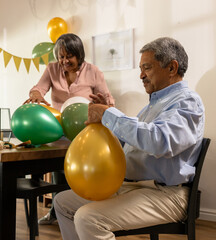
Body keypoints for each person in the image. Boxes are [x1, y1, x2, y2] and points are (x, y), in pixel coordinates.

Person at [53, 37, 205, 240]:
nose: (141, 75)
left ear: (172, 68)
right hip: (133, 187)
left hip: (167, 194)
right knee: (62, 202)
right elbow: (134, 141)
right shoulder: (153, 105)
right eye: (140, 69)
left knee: (87, 218)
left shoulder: (187, 101)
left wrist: (108, 115)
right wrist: (106, 120)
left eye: (147, 68)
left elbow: (159, 141)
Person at [24, 33, 114, 225]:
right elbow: (38, 88)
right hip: (59, 130)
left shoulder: (93, 71)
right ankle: (57, 213)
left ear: (79, 54)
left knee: (82, 173)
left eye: (69, 56)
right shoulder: (52, 69)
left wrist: (105, 103)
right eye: (61, 56)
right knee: (59, 172)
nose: (64, 61)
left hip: (85, 131)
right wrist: (35, 95)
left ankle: (84, 214)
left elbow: (108, 99)